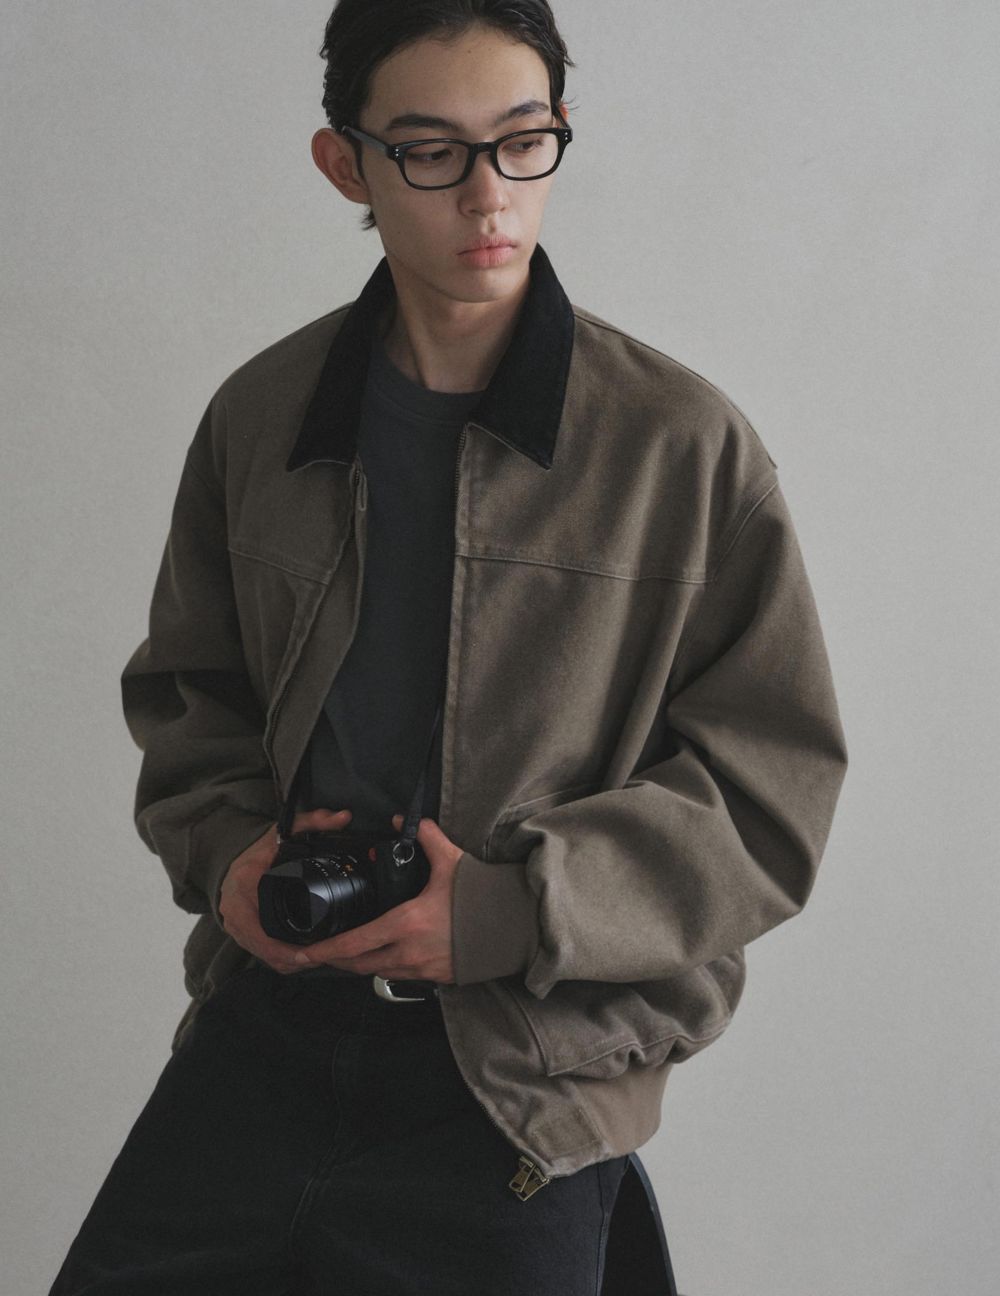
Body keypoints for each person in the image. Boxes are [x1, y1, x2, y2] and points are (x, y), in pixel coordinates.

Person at [48, 1, 848, 1293]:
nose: (488, 193)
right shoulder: (262, 418)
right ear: (345, 164)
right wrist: (231, 855)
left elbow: (770, 795)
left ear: (559, 133)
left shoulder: (681, 449)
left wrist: (509, 909)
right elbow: (190, 698)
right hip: (266, 1028)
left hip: (522, 1072)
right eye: (430, 151)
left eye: (522, 141)